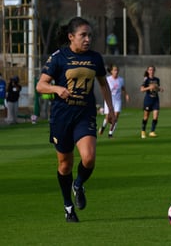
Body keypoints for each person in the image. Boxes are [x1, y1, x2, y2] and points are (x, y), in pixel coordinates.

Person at [36, 17, 115, 223]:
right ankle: (68, 207)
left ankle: (78, 185)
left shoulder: (95, 58)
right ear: (71, 37)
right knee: (65, 165)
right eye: (83, 35)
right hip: (62, 117)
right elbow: (41, 85)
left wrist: (110, 109)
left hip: (84, 114)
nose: (88, 39)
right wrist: (56, 88)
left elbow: (103, 84)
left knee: (88, 158)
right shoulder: (58, 58)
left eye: (90, 35)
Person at [98, 64, 129, 138]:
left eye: (117, 70)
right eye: (114, 70)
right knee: (108, 117)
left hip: (117, 100)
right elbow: (104, 87)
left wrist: (126, 94)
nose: (116, 71)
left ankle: (110, 133)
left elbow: (123, 88)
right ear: (111, 71)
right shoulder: (108, 79)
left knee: (115, 117)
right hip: (109, 100)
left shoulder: (121, 79)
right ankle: (103, 126)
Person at [140, 65, 163, 138]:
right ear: (148, 71)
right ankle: (143, 131)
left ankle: (152, 131)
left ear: (154, 71)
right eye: (150, 70)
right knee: (146, 117)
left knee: (156, 116)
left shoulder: (157, 79)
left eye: (152, 70)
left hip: (155, 99)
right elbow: (142, 89)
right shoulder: (146, 80)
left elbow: (157, 88)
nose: (151, 71)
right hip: (148, 99)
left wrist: (160, 89)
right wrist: (149, 87)